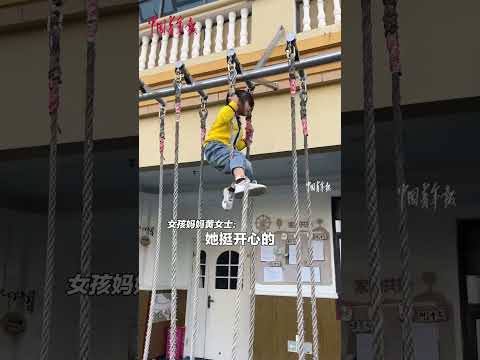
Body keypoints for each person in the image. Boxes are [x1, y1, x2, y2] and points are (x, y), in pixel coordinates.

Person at [203, 89, 267, 210]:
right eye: (249, 104)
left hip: (225, 151)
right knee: (237, 156)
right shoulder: (227, 111)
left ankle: (231, 190)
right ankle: (241, 182)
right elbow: (223, 116)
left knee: (247, 166)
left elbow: (235, 146)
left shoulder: (237, 124)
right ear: (239, 100)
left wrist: (246, 140)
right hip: (214, 147)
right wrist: (233, 103)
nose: (251, 108)